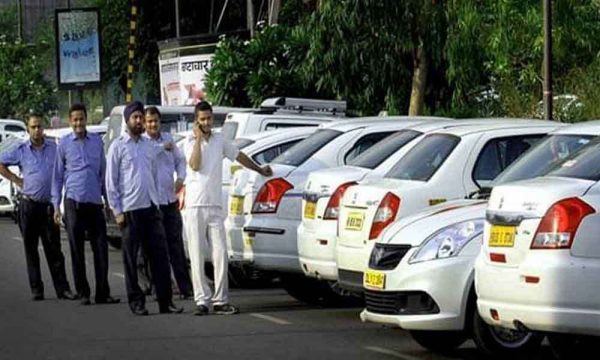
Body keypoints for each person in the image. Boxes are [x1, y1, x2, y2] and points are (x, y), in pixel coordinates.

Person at [182, 101, 272, 316]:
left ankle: (221, 300)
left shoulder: (220, 139)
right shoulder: (188, 140)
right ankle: (201, 300)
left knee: (220, 252)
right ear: (196, 120)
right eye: (202, 119)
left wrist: (259, 169)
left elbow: (238, 155)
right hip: (195, 204)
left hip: (214, 204)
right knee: (196, 254)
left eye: (209, 119)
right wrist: (197, 140)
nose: (206, 123)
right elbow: (194, 165)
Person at [106, 101, 182, 316]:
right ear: (128, 120)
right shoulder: (118, 147)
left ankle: (165, 301)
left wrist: (158, 202)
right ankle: (137, 302)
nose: (139, 121)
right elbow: (111, 182)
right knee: (131, 259)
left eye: (141, 117)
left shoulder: (149, 146)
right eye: (135, 118)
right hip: (130, 211)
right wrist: (117, 211)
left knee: (160, 256)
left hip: (151, 208)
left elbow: (155, 173)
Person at [0, 114, 76, 301]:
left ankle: (63, 289)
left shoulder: (54, 148)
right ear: (28, 130)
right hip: (28, 205)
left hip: (48, 207)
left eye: (39, 126)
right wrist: (16, 179)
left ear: (44, 128)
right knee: (31, 249)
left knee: (54, 250)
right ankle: (37, 289)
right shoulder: (21, 150)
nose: (36, 130)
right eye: (33, 127)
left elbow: (63, 169)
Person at [52, 103, 119, 306]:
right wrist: (56, 205)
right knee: (76, 249)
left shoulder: (96, 142)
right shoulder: (63, 144)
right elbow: (57, 176)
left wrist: (109, 201)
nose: (79, 123)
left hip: (94, 203)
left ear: (86, 119)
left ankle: (102, 293)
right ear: (70, 121)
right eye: (75, 120)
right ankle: (83, 292)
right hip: (73, 202)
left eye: (81, 119)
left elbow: (103, 173)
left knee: (101, 249)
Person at [143, 106, 193, 299]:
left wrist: (180, 177)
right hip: (151, 203)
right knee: (155, 248)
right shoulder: (143, 143)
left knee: (176, 246)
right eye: (149, 122)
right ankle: (159, 288)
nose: (153, 125)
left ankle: (185, 288)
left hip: (170, 200)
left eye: (155, 121)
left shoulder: (168, 139)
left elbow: (180, 160)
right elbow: (148, 156)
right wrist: (161, 148)